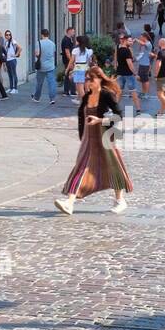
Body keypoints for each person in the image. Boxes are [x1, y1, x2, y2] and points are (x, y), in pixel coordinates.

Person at [55, 64, 133, 217]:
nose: (88, 82)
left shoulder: (106, 95)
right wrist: (82, 136)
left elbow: (119, 115)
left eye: (90, 79)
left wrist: (100, 120)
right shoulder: (86, 96)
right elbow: (81, 118)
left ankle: (120, 200)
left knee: (113, 167)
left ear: (99, 79)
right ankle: (69, 203)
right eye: (86, 79)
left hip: (105, 137)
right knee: (81, 167)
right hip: (89, 140)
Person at [115, 32, 142, 111]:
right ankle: (138, 109)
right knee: (133, 92)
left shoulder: (119, 49)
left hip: (120, 73)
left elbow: (118, 61)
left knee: (119, 92)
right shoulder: (127, 51)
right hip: (128, 74)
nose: (131, 42)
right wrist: (135, 74)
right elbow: (130, 64)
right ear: (125, 41)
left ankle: (114, 108)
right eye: (129, 41)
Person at [32, 28, 58, 104]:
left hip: (41, 66)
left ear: (42, 35)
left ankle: (37, 98)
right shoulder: (52, 43)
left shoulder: (39, 42)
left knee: (39, 83)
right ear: (48, 35)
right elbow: (53, 54)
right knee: (51, 82)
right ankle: (52, 98)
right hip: (50, 66)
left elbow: (37, 54)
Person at [67, 35, 93, 102]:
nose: (75, 42)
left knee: (80, 88)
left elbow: (71, 61)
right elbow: (89, 61)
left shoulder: (75, 50)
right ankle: (84, 101)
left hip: (78, 68)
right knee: (85, 87)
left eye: (76, 41)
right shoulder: (88, 51)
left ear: (79, 42)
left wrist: (67, 69)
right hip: (86, 68)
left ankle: (85, 102)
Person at [136, 30, 154, 106]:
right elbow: (140, 51)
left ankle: (146, 93)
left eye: (141, 37)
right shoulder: (143, 44)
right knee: (141, 78)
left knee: (145, 79)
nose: (140, 38)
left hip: (146, 64)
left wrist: (136, 40)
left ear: (144, 37)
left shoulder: (148, 44)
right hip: (141, 63)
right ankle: (143, 92)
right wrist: (140, 45)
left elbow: (144, 44)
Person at [60, 25, 77, 98]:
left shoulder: (69, 39)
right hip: (68, 60)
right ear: (69, 31)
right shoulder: (66, 40)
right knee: (70, 75)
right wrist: (71, 61)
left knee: (68, 75)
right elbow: (67, 52)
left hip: (67, 60)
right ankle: (71, 91)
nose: (74, 33)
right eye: (73, 32)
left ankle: (67, 91)